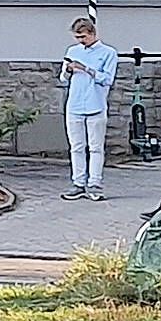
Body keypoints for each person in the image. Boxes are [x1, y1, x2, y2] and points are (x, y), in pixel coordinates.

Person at [60, 15, 124, 201]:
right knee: (76, 147)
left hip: (95, 104)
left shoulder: (108, 53)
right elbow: (63, 78)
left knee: (95, 147)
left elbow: (107, 79)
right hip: (74, 104)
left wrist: (86, 69)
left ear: (92, 34)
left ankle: (95, 183)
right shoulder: (72, 51)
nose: (81, 42)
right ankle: (78, 182)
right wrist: (69, 70)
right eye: (77, 38)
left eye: (84, 37)